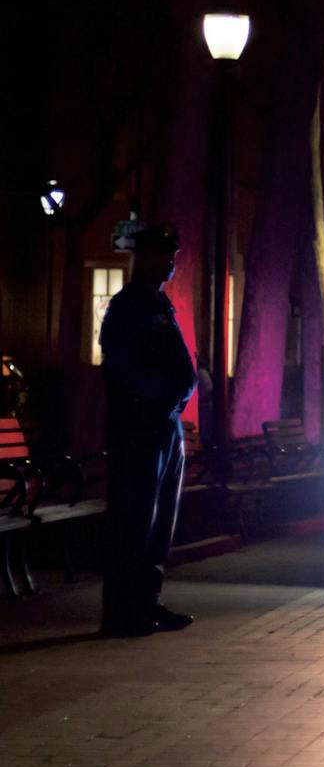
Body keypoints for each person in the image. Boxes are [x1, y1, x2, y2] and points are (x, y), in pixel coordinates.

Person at [98, 224, 198, 637]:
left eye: (172, 254)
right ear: (143, 257)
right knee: (135, 520)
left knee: (159, 523)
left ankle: (146, 603)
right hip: (142, 426)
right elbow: (122, 369)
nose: (170, 261)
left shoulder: (157, 303)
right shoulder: (129, 307)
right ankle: (124, 612)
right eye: (162, 254)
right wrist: (157, 399)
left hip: (164, 424)